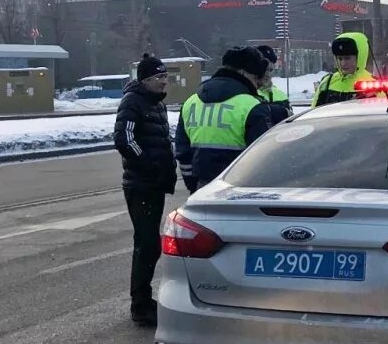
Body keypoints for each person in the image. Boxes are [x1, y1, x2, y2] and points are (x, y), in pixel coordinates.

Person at [113, 53, 177, 327]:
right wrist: (149, 164)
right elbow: (124, 139)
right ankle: (140, 304)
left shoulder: (156, 104)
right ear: (146, 80)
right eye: (159, 78)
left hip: (155, 183)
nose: (165, 82)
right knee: (147, 243)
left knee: (151, 244)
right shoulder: (133, 102)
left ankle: (144, 299)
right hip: (141, 185)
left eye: (165, 77)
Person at [176, 46, 273, 192]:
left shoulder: (191, 102)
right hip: (241, 190)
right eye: (255, 77)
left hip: (202, 189)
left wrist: (193, 185)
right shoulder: (252, 106)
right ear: (243, 73)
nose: (258, 83)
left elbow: (183, 151)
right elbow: (263, 158)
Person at [311, 32, 374, 107]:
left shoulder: (373, 85)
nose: (343, 63)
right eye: (340, 59)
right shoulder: (327, 82)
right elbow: (313, 112)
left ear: (360, 57)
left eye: (347, 58)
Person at [256, 45, 292, 125]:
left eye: (270, 70)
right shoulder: (247, 93)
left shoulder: (281, 95)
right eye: (265, 70)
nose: (268, 74)